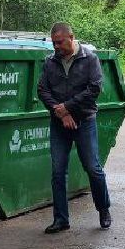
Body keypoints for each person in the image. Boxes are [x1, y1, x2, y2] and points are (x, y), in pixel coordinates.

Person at [36, 21, 112, 233]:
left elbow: (94, 88)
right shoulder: (50, 62)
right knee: (58, 171)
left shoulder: (90, 59)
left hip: (84, 121)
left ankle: (104, 209)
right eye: (53, 43)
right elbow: (42, 90)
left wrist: (67, 108)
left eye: (59, 42)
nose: (56, 47)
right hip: (60, 123)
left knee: (93, 168)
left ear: (71, 37)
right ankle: (61, 219)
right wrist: (60, 112)